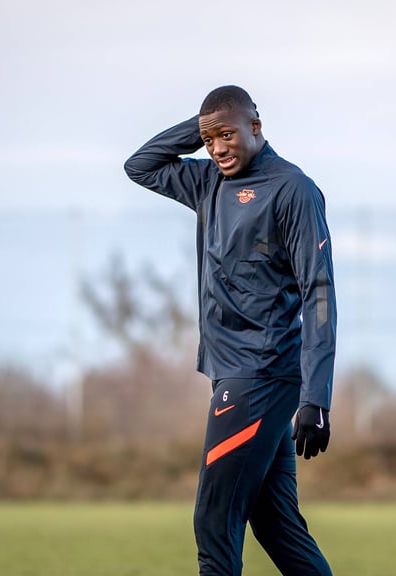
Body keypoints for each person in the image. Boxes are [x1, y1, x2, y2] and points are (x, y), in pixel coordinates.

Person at [124, 85, 335, 576]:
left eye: (228, 134)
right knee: (278, 525)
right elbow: (141, 165)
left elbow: (319, 293)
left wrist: (317, 396)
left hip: (260, 378)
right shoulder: (207, 182)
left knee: (215, 523)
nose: (218, 148)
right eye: (209, 139)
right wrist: (201, 128)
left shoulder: (293, 190)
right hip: (233, 375)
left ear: (256, 128)